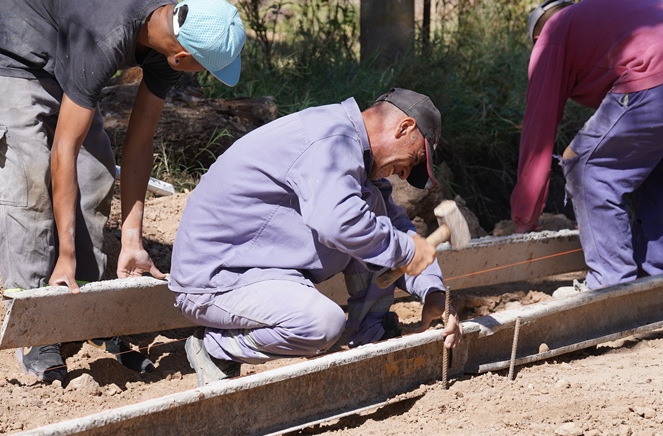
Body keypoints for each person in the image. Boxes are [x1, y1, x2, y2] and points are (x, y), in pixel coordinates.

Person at [0, 0, 246, 383]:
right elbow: (64, 150)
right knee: (27, 178)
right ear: (182, 58)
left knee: (94, 173)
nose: (203, 75)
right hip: (2, 39)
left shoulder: (171, 28)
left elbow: (139, 144)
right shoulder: (108, 35)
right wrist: (66, 253)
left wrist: (132, 239)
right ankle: (36, 323)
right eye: (204, 68)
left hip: (62, 40)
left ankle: (85, 307)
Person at [168, 88, 463, 386]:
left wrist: (432, 291)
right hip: (216, 279)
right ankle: (215, 348)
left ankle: (371, 333)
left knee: (372, 211)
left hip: (257, 268)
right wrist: (406, 251)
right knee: (321, 324)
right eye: (414, 159)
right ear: (404, 127)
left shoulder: (355, 152)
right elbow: (339, 223)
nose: (404, 174)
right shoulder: (330, 140)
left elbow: (392, 225)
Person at [511, 0, 663, 291]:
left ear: (537, 36)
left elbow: (539, 127)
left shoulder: (553, 32)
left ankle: (611, 284)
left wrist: (525, 216)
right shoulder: (604, 15)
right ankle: (661, 277)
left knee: (586, 167)